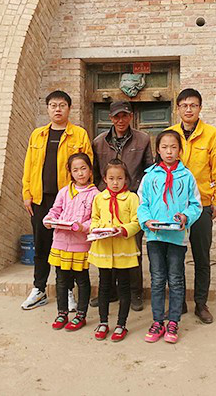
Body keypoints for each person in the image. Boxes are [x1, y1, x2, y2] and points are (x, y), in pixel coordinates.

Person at [21, 90, 93, 310]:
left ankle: (67, 291)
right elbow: (28, 165)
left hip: (68, 201)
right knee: (42, 245)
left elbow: (88, 166)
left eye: (62, 105)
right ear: (48, 109)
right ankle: (39, 289)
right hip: (40, 199)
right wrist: (26, 194)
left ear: (69, 108)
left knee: (67, 248)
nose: (57, 109)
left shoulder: (79, 134)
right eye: (53, 105)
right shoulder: (37, 135)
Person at [167, 88, 216, 324]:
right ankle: (179, 302)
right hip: (175, 207)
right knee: (175, 256)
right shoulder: (171, 134)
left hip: (202, 205)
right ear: (178, 109)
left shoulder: (212, 135)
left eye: (193, 105)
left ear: (200, 108)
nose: (189, 109)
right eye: (184, 105)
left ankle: (201, 304)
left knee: (202, 257)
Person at [138, 130, 201, 344]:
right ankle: (158, 321)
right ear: (158, 149)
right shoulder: (149, 176)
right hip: (155, 236)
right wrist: (146, 220)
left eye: (173, 147)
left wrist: (185, 217)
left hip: (177, 237)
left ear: (180, 150)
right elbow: (142, 203)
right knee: (157, 279)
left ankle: (173, 321)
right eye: (164, 147)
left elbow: (196, 204)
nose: (169, 151)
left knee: (175, 279)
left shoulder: (187, 176)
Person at [91, 101, 153, 311]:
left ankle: (135, 293)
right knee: (108, 246)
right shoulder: (99, 142)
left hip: (131, 200)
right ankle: (109, 292)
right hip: (107, 200)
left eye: (124, 115)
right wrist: (102, 193)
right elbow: (95, 172)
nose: (121, 120)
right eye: (116, 116)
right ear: (110, 118)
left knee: (132, 249)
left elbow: (148, 170)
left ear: (131, 116)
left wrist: (139, 195)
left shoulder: (143, 139)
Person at [43, 153, 99, 331]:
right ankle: (62, 313)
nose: (80, 173)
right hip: (60, 242)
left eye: (83, 168)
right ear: (70, 172)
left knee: (81, 279)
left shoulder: (96, 195)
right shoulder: (64, 192)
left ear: (90, 170)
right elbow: (55, 210)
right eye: (75, 170)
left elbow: (95, 219)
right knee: (61, 279)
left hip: (80, 244)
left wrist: (83, 227)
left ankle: (81, 315)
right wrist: (49, 219)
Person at [88, 159, 141, 342]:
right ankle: (103, 322)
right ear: (105, 179)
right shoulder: (99, 198)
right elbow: (94, 218)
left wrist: (124, 230)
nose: (115, 182)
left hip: (123, 249)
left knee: (124, 286)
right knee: (104, 286)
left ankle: (121, 324)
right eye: (111, 178)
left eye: (119, 178)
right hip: (103, 248)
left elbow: (137, 221)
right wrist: (96, 229)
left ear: (126, 179)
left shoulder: (132, 198)